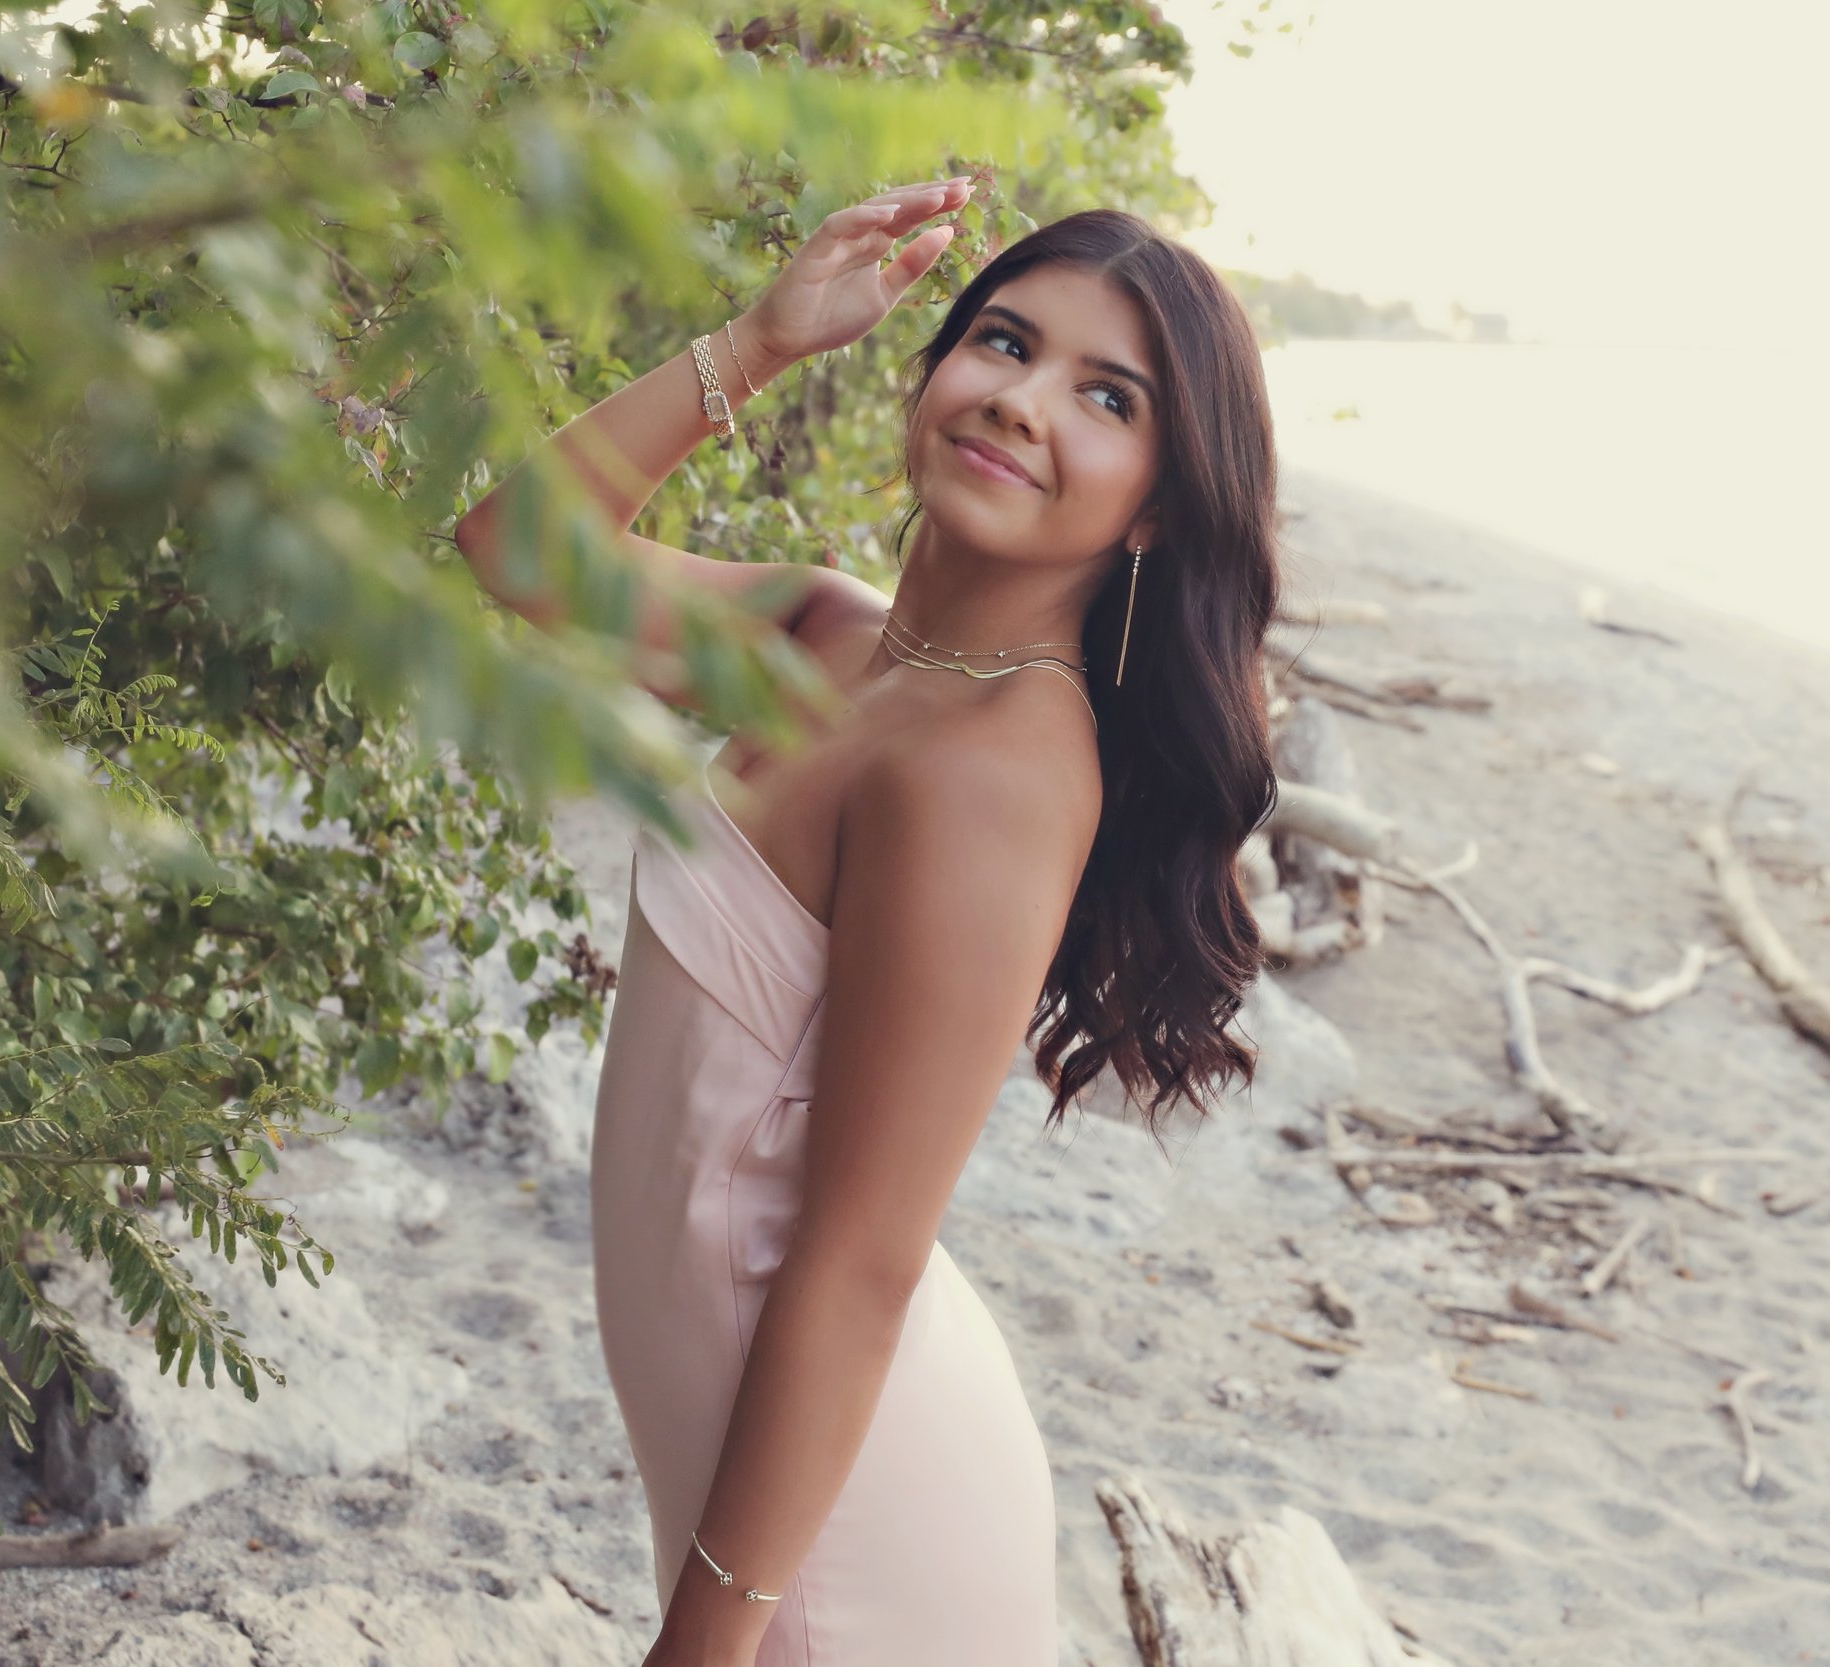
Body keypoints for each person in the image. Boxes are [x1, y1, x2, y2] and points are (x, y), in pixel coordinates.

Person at [451, 181, 1280, 1667]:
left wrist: (701, 1644)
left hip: (839, 1529)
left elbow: (861, 1257)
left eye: (1105, 395)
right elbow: (517, 545)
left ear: (1157, 499)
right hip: (754, 1459)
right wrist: (762, 339)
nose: (1025, 403)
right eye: (1004, 343)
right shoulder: (828, 641)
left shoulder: (997, 768)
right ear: (933, 363)